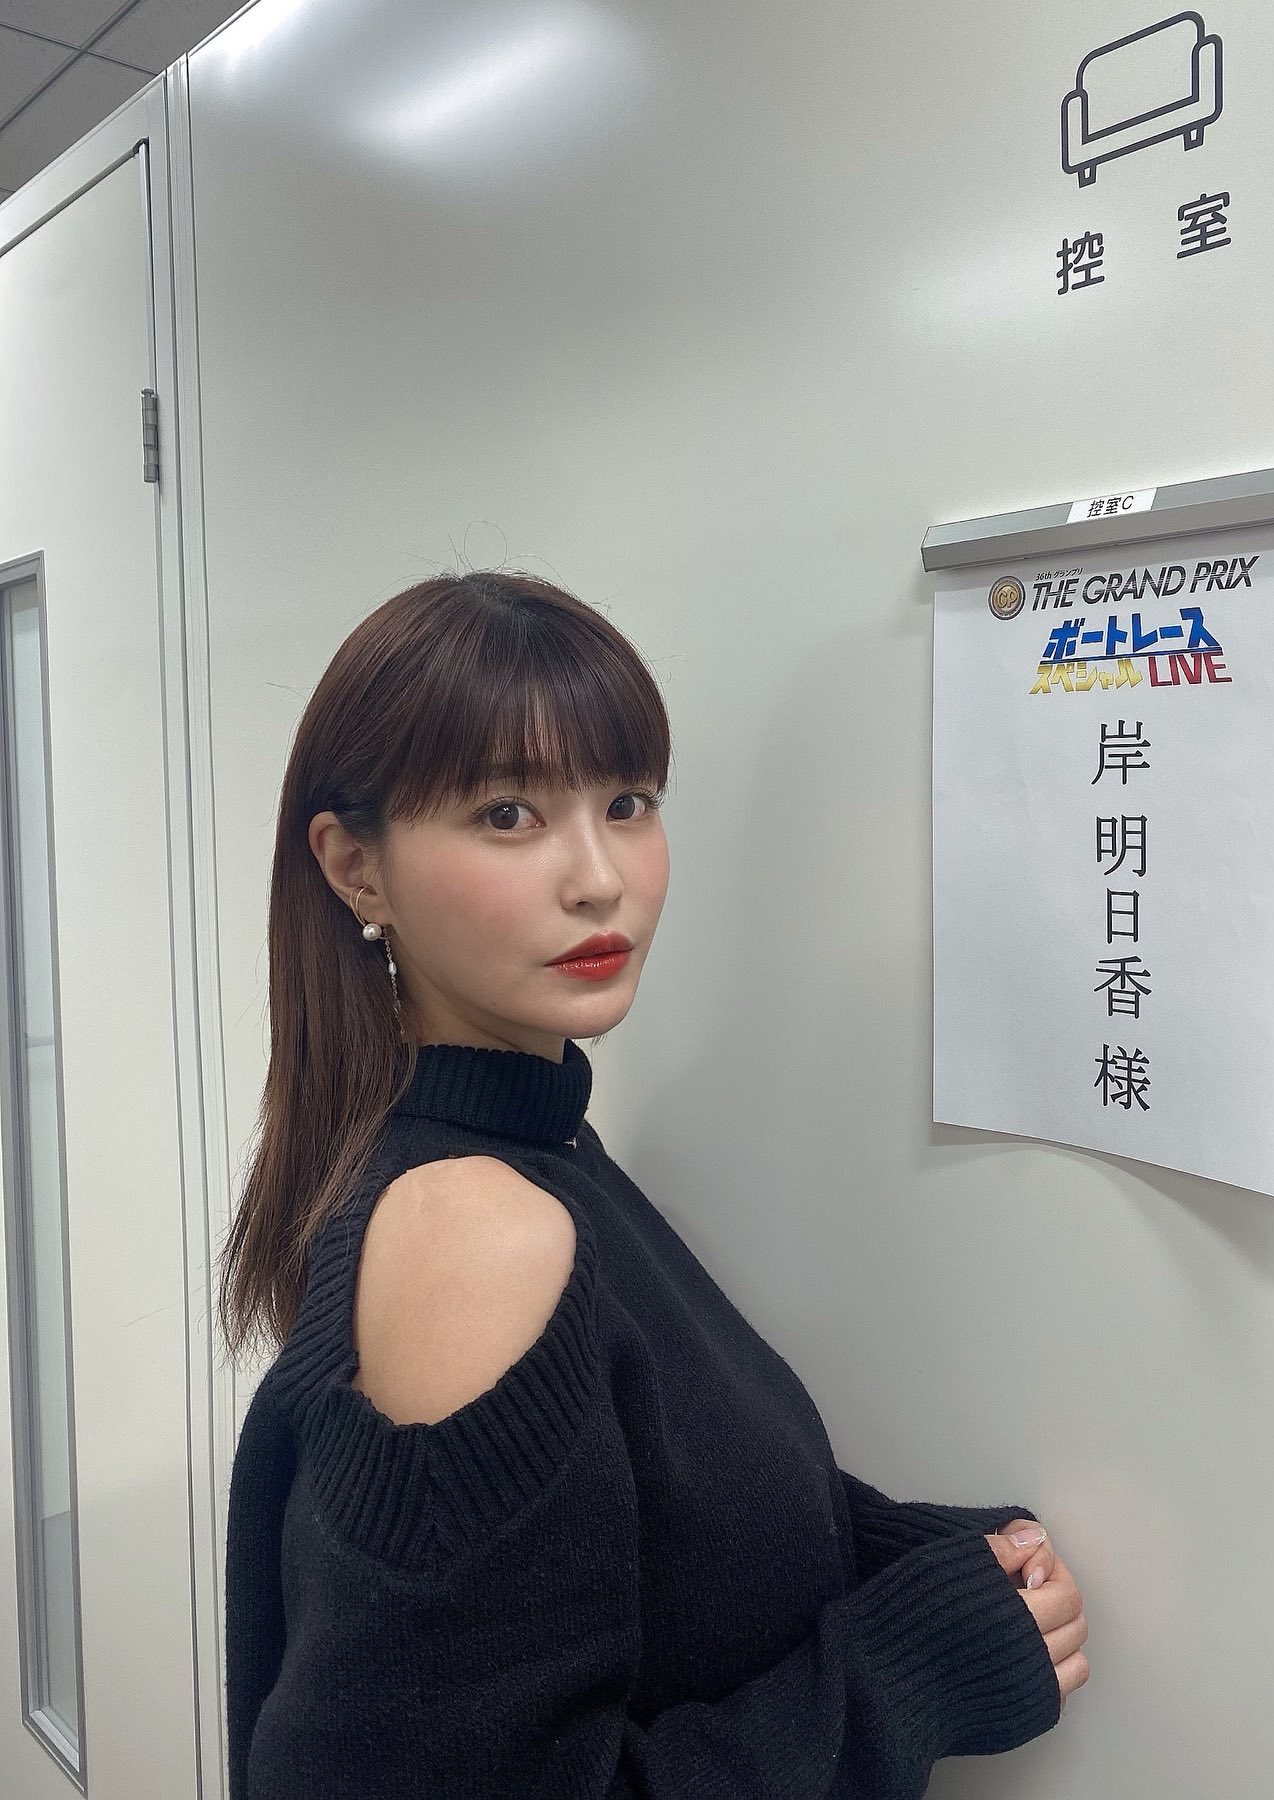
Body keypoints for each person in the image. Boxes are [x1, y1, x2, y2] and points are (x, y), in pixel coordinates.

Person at [218, 568, 1088, 1799]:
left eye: (626, 802)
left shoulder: (540, 1148)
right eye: (508, 814)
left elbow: (651, 1510)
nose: (599, 876)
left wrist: (900, 1564)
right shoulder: (479, 1228)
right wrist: (902, 1677)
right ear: (357, 869)